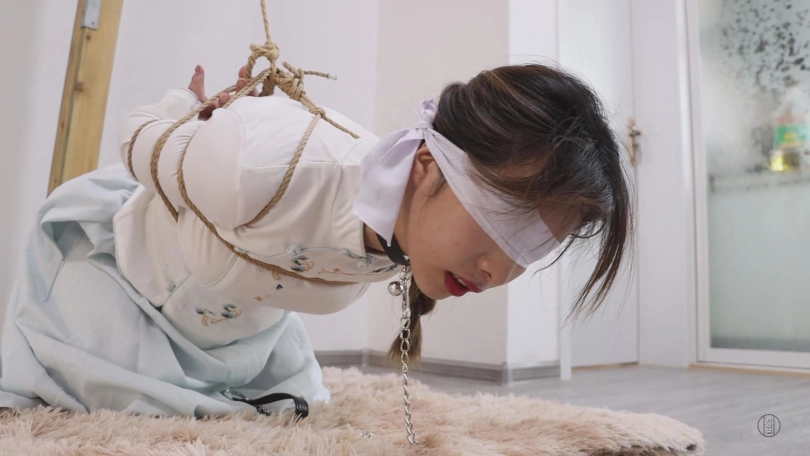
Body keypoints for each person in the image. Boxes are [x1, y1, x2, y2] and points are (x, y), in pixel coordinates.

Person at [0, 62, 631, 417]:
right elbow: (139, 139)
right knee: (121, 407)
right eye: (505, 223)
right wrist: (180, 109)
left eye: (534, 249)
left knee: (295, 412)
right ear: (426, 165)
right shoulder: (259, 170)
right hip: (121, 288)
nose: (501, 272)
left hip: (236, 329)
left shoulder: (409, 232)